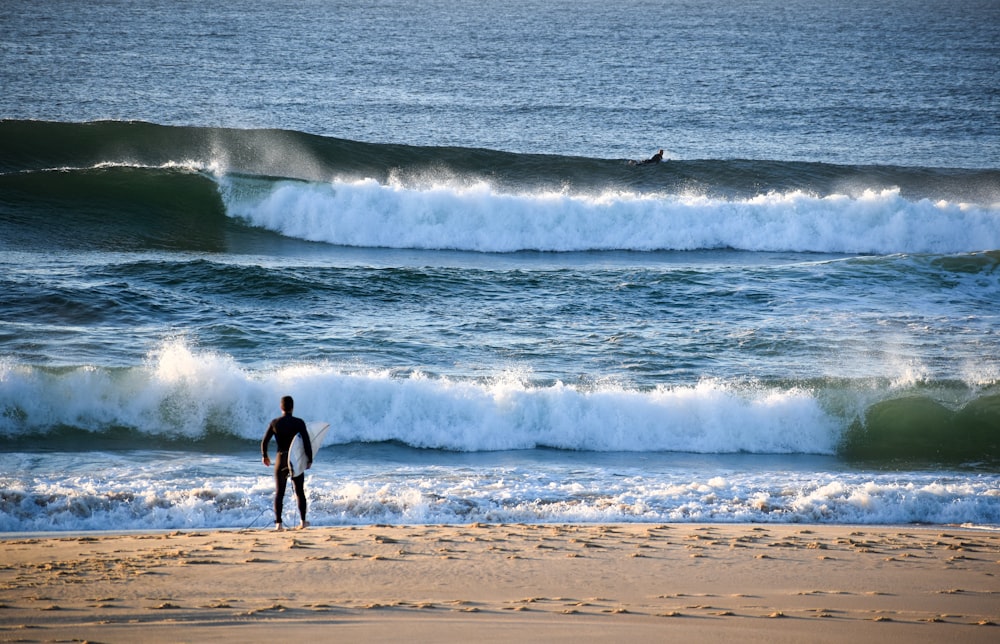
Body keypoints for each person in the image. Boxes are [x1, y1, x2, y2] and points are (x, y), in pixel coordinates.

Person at [261, 395, 312, 531]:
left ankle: (279, 524)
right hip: (295, 459)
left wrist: (265, 456)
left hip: (280, 458)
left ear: (281, 407)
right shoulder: (299, 423)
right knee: (299, 491)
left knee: (279, 492)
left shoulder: (275, 423)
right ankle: (303, 521)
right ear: (292, 407)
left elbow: (264, 441)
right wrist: (309, 459)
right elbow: (306, 441)